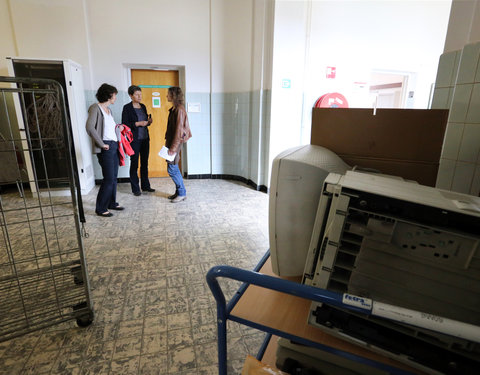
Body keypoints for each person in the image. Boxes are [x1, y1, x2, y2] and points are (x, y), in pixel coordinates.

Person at [86, 83, 124, 217]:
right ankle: (101, 208)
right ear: (109, 95)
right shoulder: (95, 108)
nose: (115, 98)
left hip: (113, 145)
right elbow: (90, 127)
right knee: (108, 179)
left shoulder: (109, 111)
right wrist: (101, 144)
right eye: (114, 95)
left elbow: (108, 128)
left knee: (113, 178)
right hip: (105, 146)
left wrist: (118, 128)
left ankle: (111, 203)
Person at [121, 85, 155, 196]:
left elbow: (144, 121)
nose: (140, 96)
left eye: (140, 94)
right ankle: (135, 188)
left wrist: (148, 122)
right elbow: (125, 125)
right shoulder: (127, 108)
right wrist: (138, 123)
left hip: (145, 139)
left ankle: (145, 186)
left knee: (145, 163)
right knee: (134, 163)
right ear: (131, 95)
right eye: (137, 94)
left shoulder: (143, 106)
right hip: (134, 140)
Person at [165, 86, 192, 203]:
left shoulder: (179, 110)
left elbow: (179, 131)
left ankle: (182, 193)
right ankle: (179, 192)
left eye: (168, 94)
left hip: (175, 143)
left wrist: (173, 148)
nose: (167, 96)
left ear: (174, 96)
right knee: (173, 166)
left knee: (172, 168)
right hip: (172, 142)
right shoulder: (175, 109)